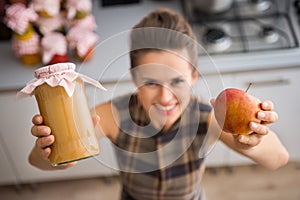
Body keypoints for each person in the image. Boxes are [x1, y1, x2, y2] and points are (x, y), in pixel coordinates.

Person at [28, 8, 289, 200]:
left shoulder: (208, 117)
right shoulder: (112, 116)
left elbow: (278, 159)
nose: (165, 98)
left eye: (177, 81)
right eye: (151, 82)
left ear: (194, 76)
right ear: (134, 77)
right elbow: (43, 161)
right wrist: (50, 152)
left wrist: (255, 139)